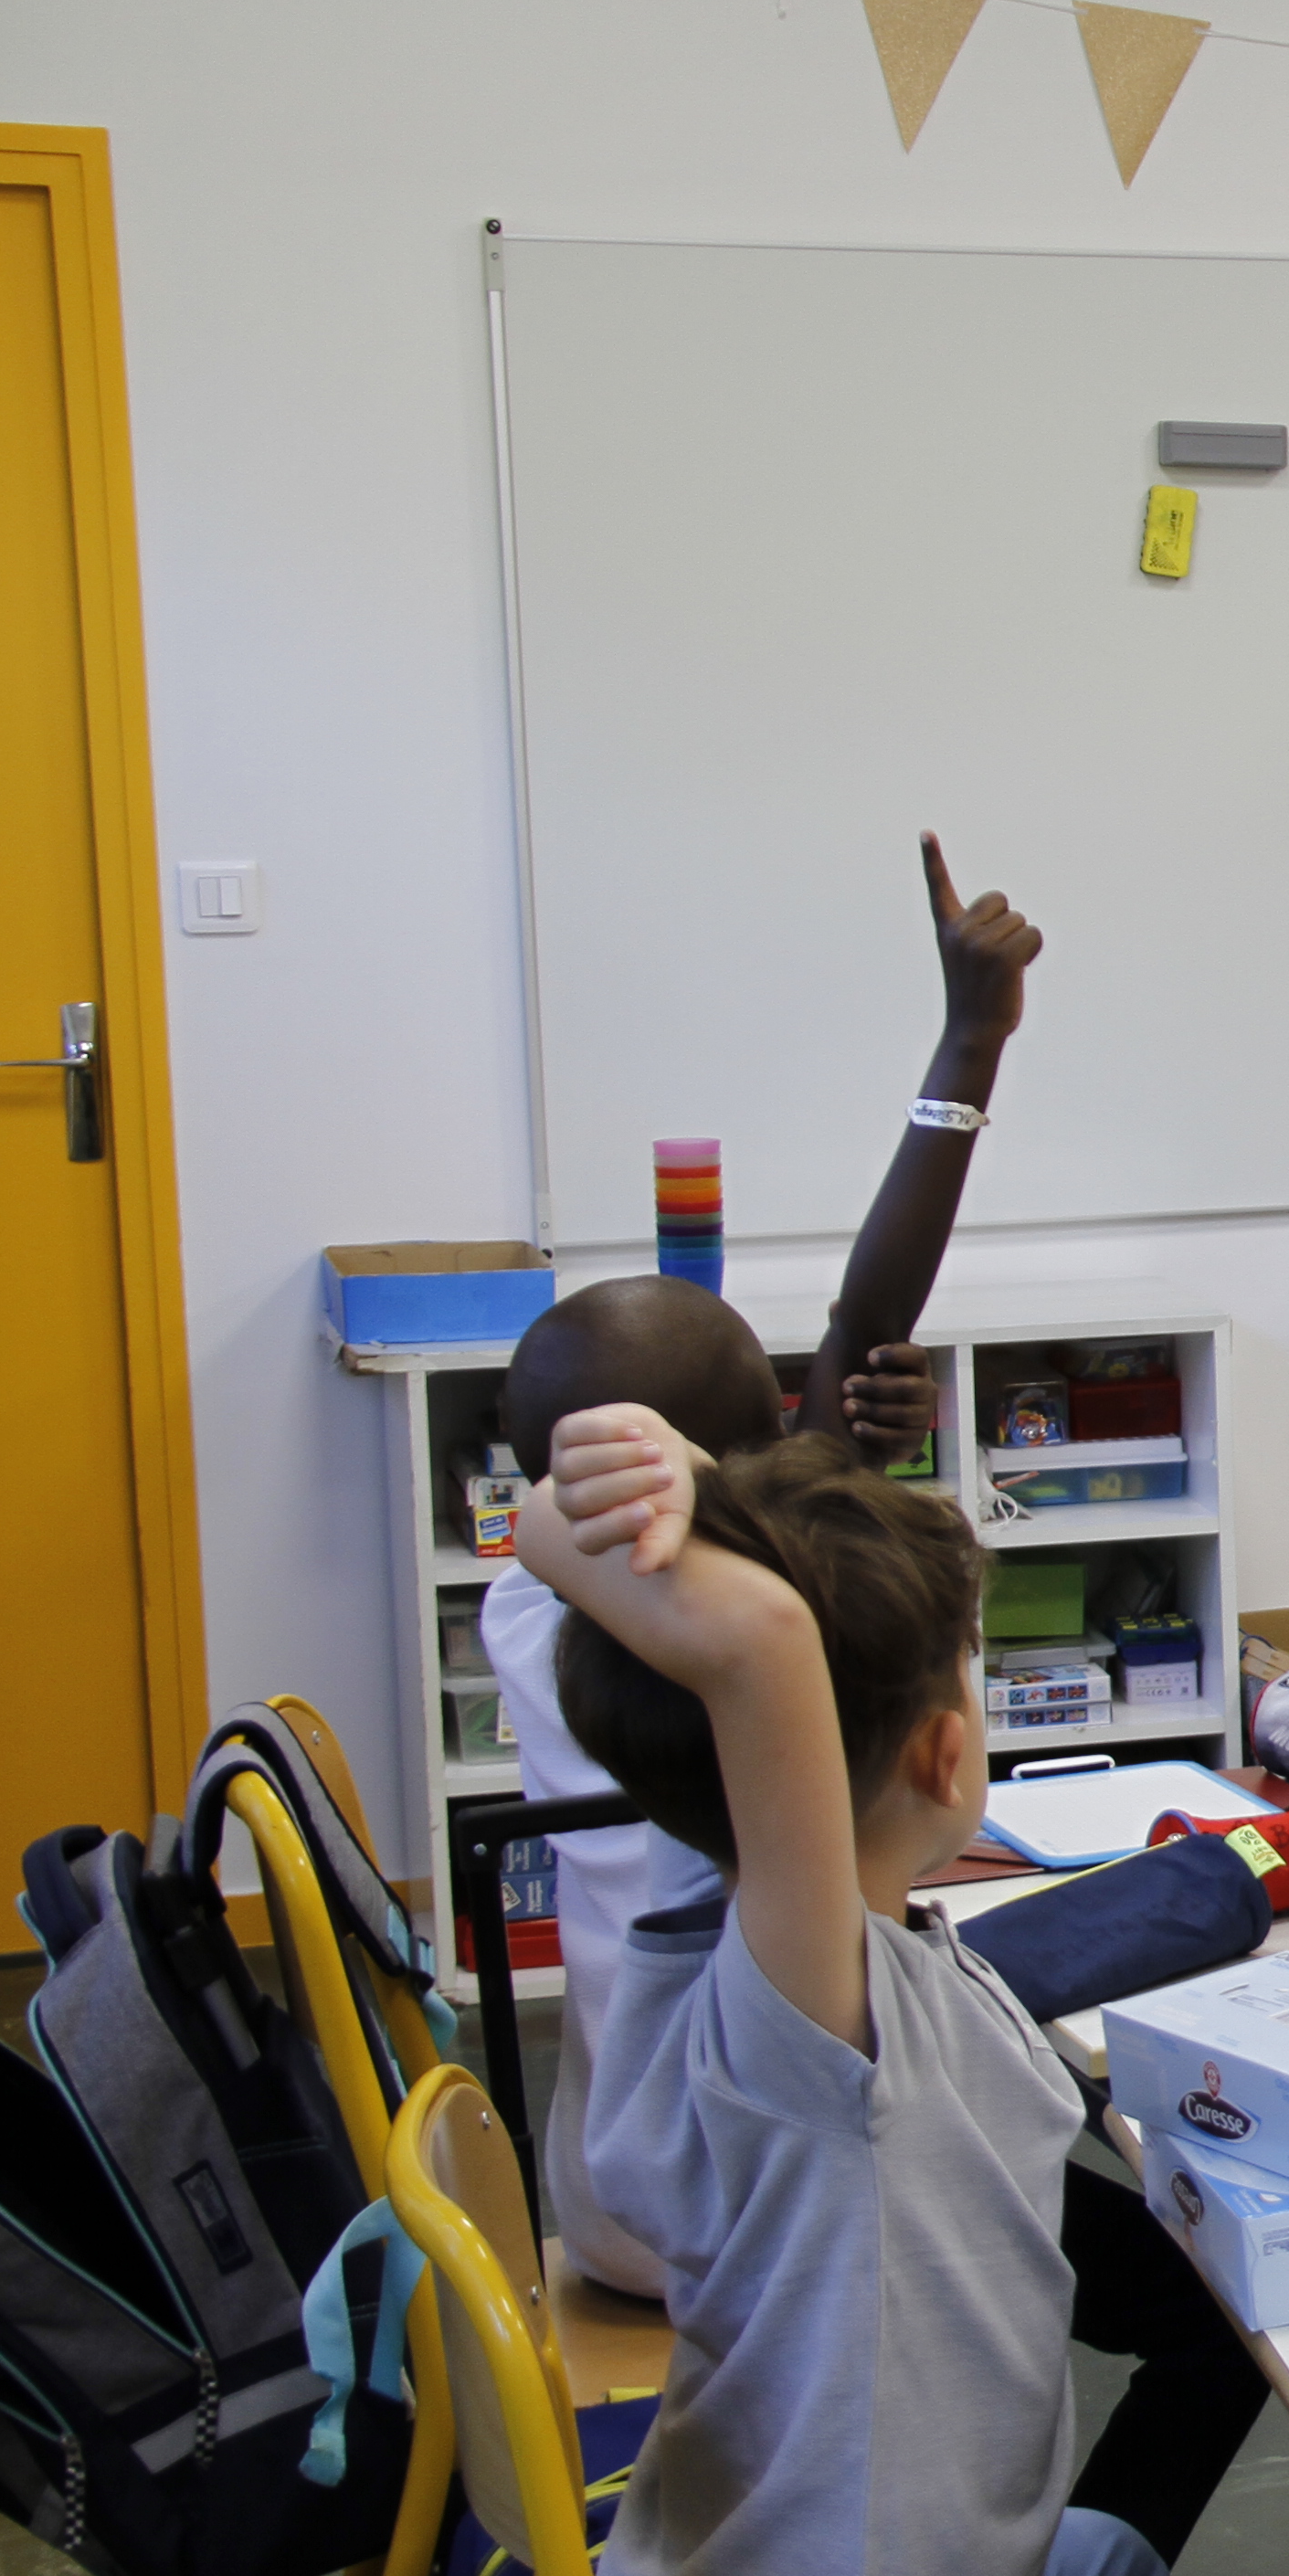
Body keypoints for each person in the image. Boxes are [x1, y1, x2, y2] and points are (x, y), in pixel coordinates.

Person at [512, 1413, 1289, 2576]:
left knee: (1108, 2554)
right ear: (946, 1743)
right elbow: (763, 1648)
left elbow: (581, 1559)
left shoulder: (706, 1912)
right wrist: (707, 1518)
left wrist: (683, 1482)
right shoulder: (807, 2030)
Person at [485, 833, 1040, 2298]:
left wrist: (850, 1440)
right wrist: (968, 1043)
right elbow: (859, 1328)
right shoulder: (742, 1652)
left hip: (623, 2162)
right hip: (745, 2207)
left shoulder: (544, 1591)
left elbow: (857, 1334)